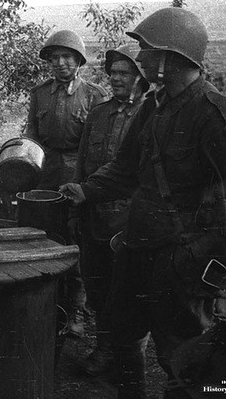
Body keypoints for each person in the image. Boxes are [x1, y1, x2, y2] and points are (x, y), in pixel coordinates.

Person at [60, 7, 226, 399]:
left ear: (168, 59)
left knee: (181, 358)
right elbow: (126, 169)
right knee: (121, 338)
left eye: (145, 49)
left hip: (180, 259)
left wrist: (218, 256)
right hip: (136, 247)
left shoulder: (212, 113)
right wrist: (86, 190)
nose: (139, 57)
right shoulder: (154, 105)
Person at [23, 29, 108, 337]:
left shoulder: (94, 94)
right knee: (43, 235)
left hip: (77, 173)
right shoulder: (40, 93)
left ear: (79, 61)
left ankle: (77, 312)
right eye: (55, 57)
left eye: (67, 57)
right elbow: (31, 133)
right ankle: (45, 307)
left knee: (75, 240)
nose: (60, 63)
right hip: (46, 172)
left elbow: (99, 143)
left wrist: (87, 181)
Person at [72, 43, 149, 377]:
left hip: (130, 220)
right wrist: (77, 207)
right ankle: (104, 350)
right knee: (98, 287)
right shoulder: (99, 112)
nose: (117, 79)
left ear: (140, 76)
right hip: (94, 217)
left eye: (125, 73)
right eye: (113, 72)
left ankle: (129, 359)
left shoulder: (151, 114)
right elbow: (82, 166)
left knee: (130, 293)